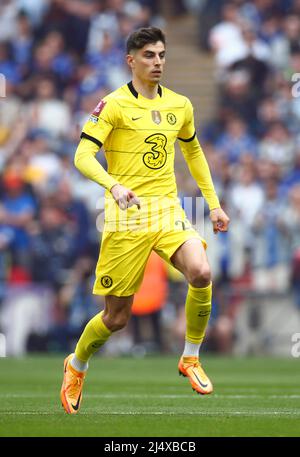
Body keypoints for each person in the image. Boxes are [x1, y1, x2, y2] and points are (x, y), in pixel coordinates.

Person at [60, 27, 230, 414]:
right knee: (116, 318)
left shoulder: (180, 105)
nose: (158, 62)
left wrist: (214, 205)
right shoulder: (113, 104)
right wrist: (114, 185)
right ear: (131, 60)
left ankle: (190, 356)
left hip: (167, 208)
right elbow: (82, 157)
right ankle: (77, 364)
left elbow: (194, 153)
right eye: (149, 55)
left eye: (162, 55)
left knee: (202, 272)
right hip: (125, 217)